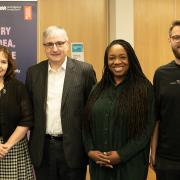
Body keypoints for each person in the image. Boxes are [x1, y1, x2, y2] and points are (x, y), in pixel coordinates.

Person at [25, 25, 96, 180]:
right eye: (49, 44)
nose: (55, 48)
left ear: (67, 44)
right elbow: (28, 111)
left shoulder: (85, 71)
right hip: (42, 149)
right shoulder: (33, 73)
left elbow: (92, 111)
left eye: (60, 43)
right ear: (44, 46)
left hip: (74, 148)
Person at [83, 39, 155, 180]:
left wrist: (121, 155)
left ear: (131, 59)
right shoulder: (97, 89)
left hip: (131, 167)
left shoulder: (144, 89)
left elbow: (146, 131)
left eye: (122, 57)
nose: (117, 62)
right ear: (106, 61)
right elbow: (86, 125)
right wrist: (90, 150)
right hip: (99, 167)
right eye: (112, 58)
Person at [150, 20, 180, 180]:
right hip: (167, 160)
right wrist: (153, 152)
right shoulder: (161, 74)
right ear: (170, 40)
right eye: (176, 37)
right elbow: (156, 118)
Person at [0, 45, 33, 179]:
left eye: (3, 62)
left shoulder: (18, 87)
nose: (0, 66)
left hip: (13, 148)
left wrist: (6, 146)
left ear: (9, 64)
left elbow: (26, 120)